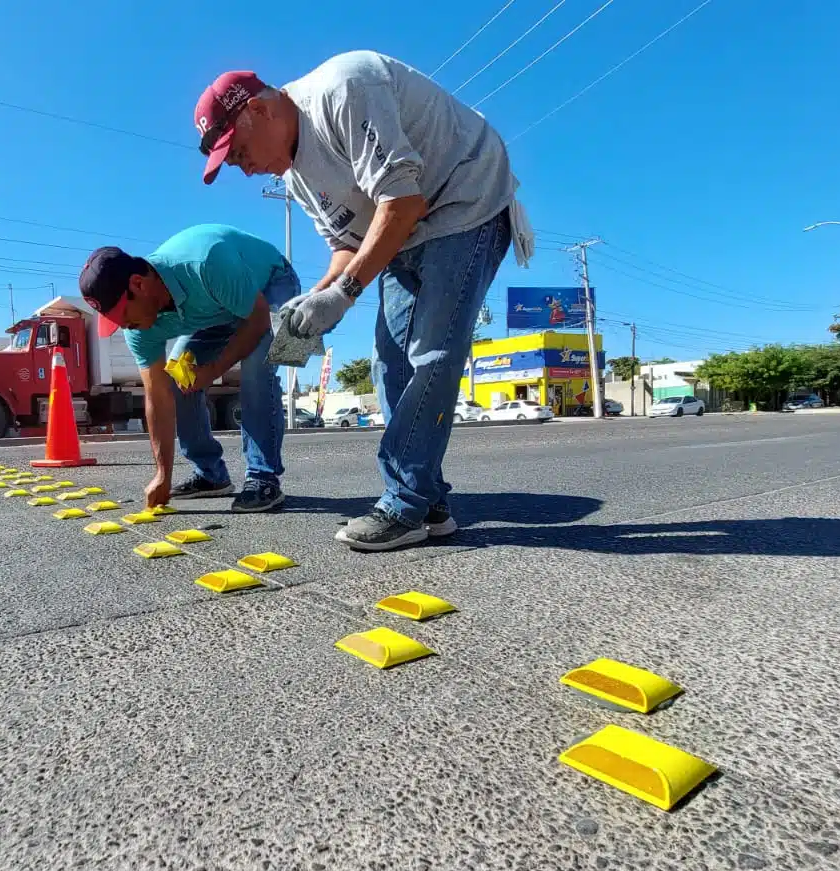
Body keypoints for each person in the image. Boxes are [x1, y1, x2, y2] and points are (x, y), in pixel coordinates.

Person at [193, 50, 532, 551]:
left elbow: (403, 201)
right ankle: (429, 500)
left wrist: (345, 294)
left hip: (465, 200)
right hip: (404, 231)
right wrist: (317, 300)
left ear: (258, 111)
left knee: (431, 356)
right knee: (388, 364)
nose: (243, 170)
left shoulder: (343, 89)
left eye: (238, 152)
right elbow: (346, 247)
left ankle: (406, 501)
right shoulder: (294, 177)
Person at [77, 224, 300, 513]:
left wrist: (214, 369)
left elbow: (257, 321)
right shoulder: (138, 329)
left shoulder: (206, 262)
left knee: (257, 368)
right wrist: (163, 476)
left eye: (123, 316)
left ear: (139, 284)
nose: (123, 327)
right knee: (176, 379)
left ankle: (262, 477)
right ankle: (210, 474)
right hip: (218, 309)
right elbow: (157, 397)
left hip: (269, 283)